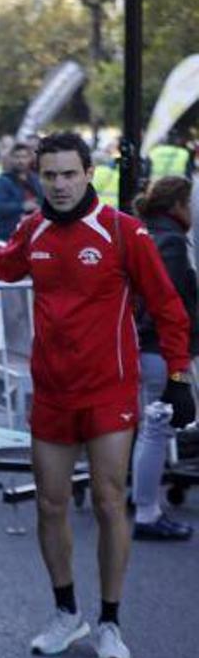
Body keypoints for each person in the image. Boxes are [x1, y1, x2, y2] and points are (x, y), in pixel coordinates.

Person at [0, 132, 194, 658]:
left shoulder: (125, 232)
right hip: (52, 391)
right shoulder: (32, 231)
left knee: (106, 501)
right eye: (49, 175)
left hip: (109, 390)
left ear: (88, 173)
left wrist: (178, 376)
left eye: (68, 174)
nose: (58, 184)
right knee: (51, 504)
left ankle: (110, 622)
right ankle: (65, 614)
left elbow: (169, 308)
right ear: (39, 177)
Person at [130, 176, 198, 542]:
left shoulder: (148, 234)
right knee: (157, 429)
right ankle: (146, 509)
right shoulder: (169, 242)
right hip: (159, 349)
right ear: (177, 206)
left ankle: (142, 499)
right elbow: (166, 301)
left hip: (146, 346)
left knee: (148, 428)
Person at [0, 143, 42, 241]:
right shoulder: (2, 181)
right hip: (10, 235)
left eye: (24, 157)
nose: (21, 161)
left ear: (30, 158)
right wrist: (22, 206)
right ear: (11, 159)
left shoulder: (36, 180)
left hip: (35, 234)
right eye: (17, 157)